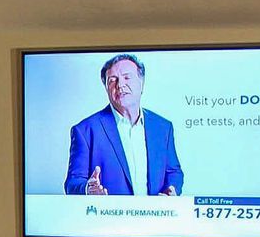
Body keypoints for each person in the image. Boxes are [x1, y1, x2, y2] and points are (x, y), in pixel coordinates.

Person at [63, 53, 183, 197]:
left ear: (141, 82)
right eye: (113, 80)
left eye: (127, 77)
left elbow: (173, 172)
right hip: (107, 217)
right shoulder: (85, 131)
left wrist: (171, 189)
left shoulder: (162, 127)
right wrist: (88, 190)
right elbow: (72, 183)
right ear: (106, 87)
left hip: (154, 218)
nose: (120, 85)